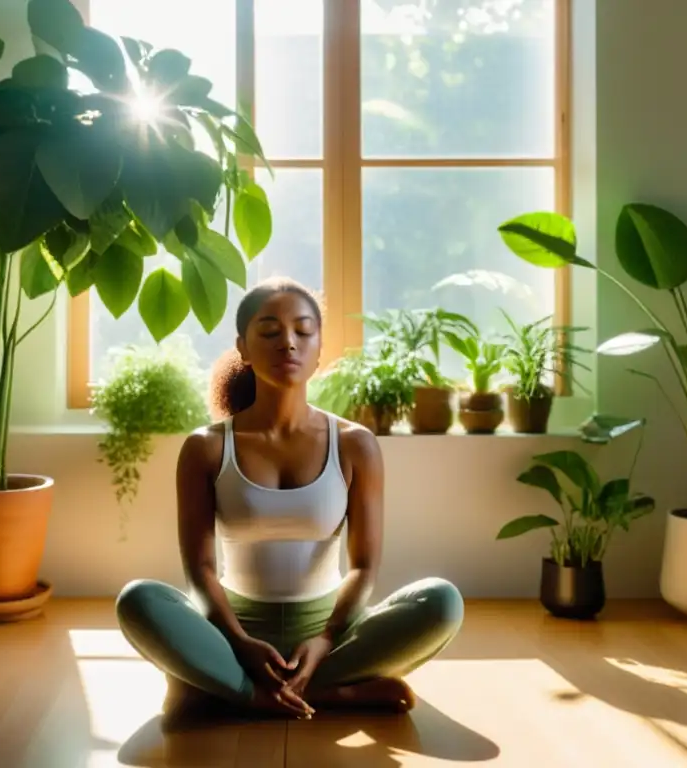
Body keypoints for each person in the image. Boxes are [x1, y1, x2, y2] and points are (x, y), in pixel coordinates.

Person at [115, 277, 464, 721]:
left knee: (442, 602)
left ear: (320, 348)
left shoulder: (355, 444)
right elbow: (200, 568)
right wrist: (240, 643)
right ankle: (316, 693)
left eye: (303, 331)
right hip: (232, 630)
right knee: (138, 600)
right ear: (243, 346)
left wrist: (324, 638)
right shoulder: (206, 447)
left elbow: (363, 566)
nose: (289, 344)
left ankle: (231, 692)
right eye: (270, 331)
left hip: (331, 632)